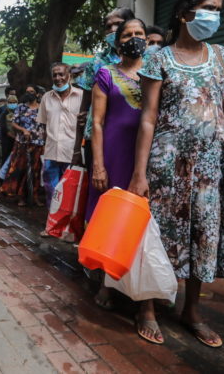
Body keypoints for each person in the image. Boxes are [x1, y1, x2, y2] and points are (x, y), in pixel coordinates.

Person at [128, 0, 224, 347]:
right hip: (167, 163)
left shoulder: (220, 56)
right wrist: (139, 173)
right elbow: (148, 119)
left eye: (218, 9)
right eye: (208, 8)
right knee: (158, 233)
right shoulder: (158, 58)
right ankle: (148, 307)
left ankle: (192, 312)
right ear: (185, 14)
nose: (214, 15)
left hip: (209, 165)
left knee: (204, 233)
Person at [86, 18, 147, 310]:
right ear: (117, 40)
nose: (134, 38)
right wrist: (98, 165)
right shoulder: (105, 74)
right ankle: (106, 283)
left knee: (141, 219)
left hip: (146, 156)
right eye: (127, 34)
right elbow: (96, 123)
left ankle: (138, 283)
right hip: (113, 153)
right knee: (109, 218)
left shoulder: (155, 74)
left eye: (139, 33)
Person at [77, 8, 136, 168]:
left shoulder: (143, 59)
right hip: (96, 138)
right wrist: (76, 150)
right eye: (108, 26)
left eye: (117, 24)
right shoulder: (98, 61)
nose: (112, 30)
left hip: (130, 137)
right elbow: (85, 105)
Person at [38, 63, 84, 210]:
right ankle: (52, 225)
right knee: (51, 191)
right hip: (51, 154)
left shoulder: (81, 96)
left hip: (73, 154)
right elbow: (44, 125)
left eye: (61, 74)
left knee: (71, 192)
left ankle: (67, 228)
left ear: (68, 75)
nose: (58, 78)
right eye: (55, 75)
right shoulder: (46, 97)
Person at [0, 89, 45, 206]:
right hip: (22, 143)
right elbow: (14, 123)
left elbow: (46, 125)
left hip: (38, 143)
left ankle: (35, 196)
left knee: (35, 171)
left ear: (37, 94)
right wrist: (23, 130)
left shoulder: (42, 108)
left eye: (32, 91)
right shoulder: (20, 107)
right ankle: (21, 197)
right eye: (27, 91)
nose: (29, 93)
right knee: (21, 169)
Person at [0, 95, 19, 165]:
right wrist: (14, 137)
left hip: (17, 140)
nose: (12, 104)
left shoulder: (18, 112)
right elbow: (4, 129)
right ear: (7, 103)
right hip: (6, 140)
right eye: (10, 102)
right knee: (6, 158)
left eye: (14, 102)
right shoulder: (4, 114)